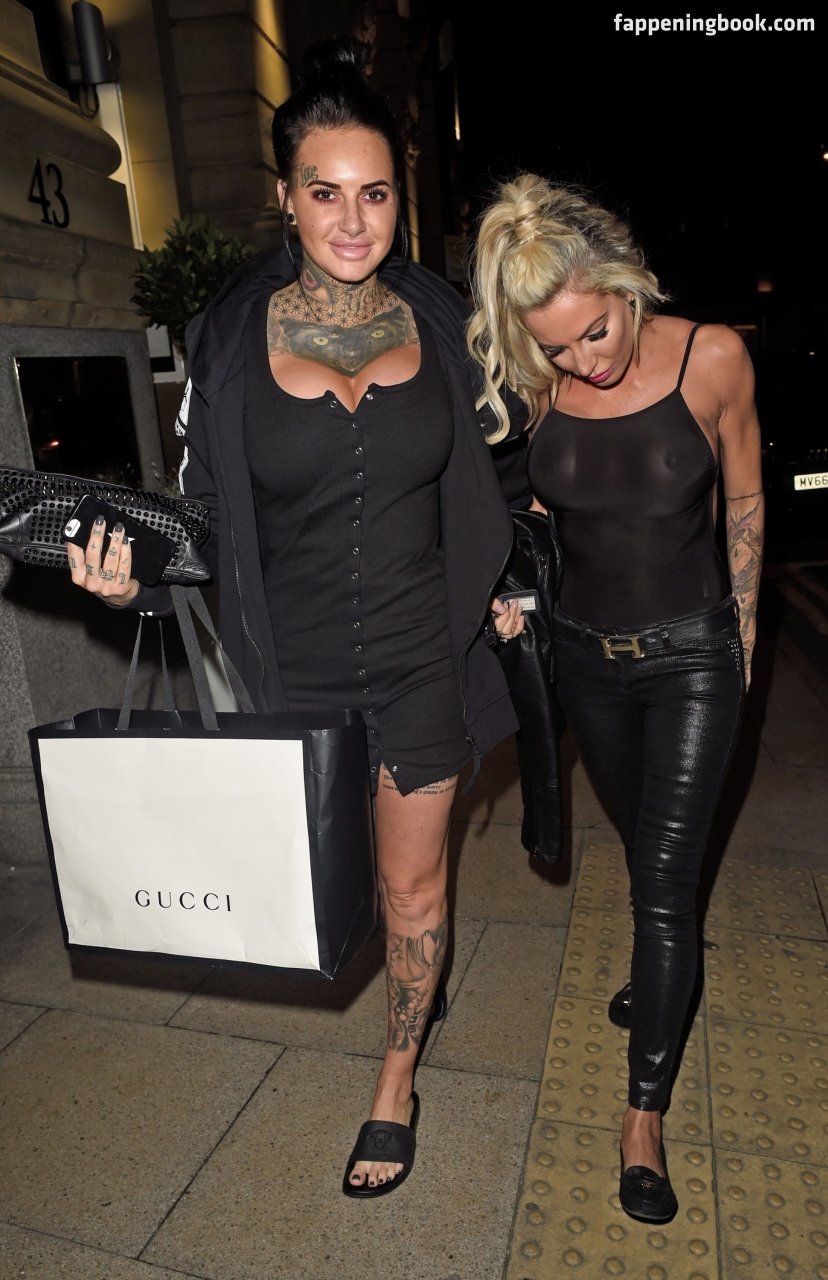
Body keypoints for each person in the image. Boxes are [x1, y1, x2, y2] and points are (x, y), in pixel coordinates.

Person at [66, 43, 526, 1198]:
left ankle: (396, 1080)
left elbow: (501, 467)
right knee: (339, 893)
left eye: (376, 193)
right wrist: (136, 580)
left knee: (416, 890)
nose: (353, 220)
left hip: (424, 653)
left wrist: (509, 579)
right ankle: (405, 994)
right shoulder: (229, 338)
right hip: (298, 664)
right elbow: (202, 514)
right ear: (286, 196)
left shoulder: (445, 320)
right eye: (326, 191)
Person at [468, 175, 764, 1222]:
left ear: (625, 282)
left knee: (665, 885)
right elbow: (551, 509)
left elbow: (744, 498)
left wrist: (742, 640)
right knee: (641, 847)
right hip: (587, 660)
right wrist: (521, 595)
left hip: (691, 659)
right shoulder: (544, 383)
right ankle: (657, 972)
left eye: (596, 330)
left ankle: (643, 1117)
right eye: (558, 347)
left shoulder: (711, 356)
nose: (585, 360)